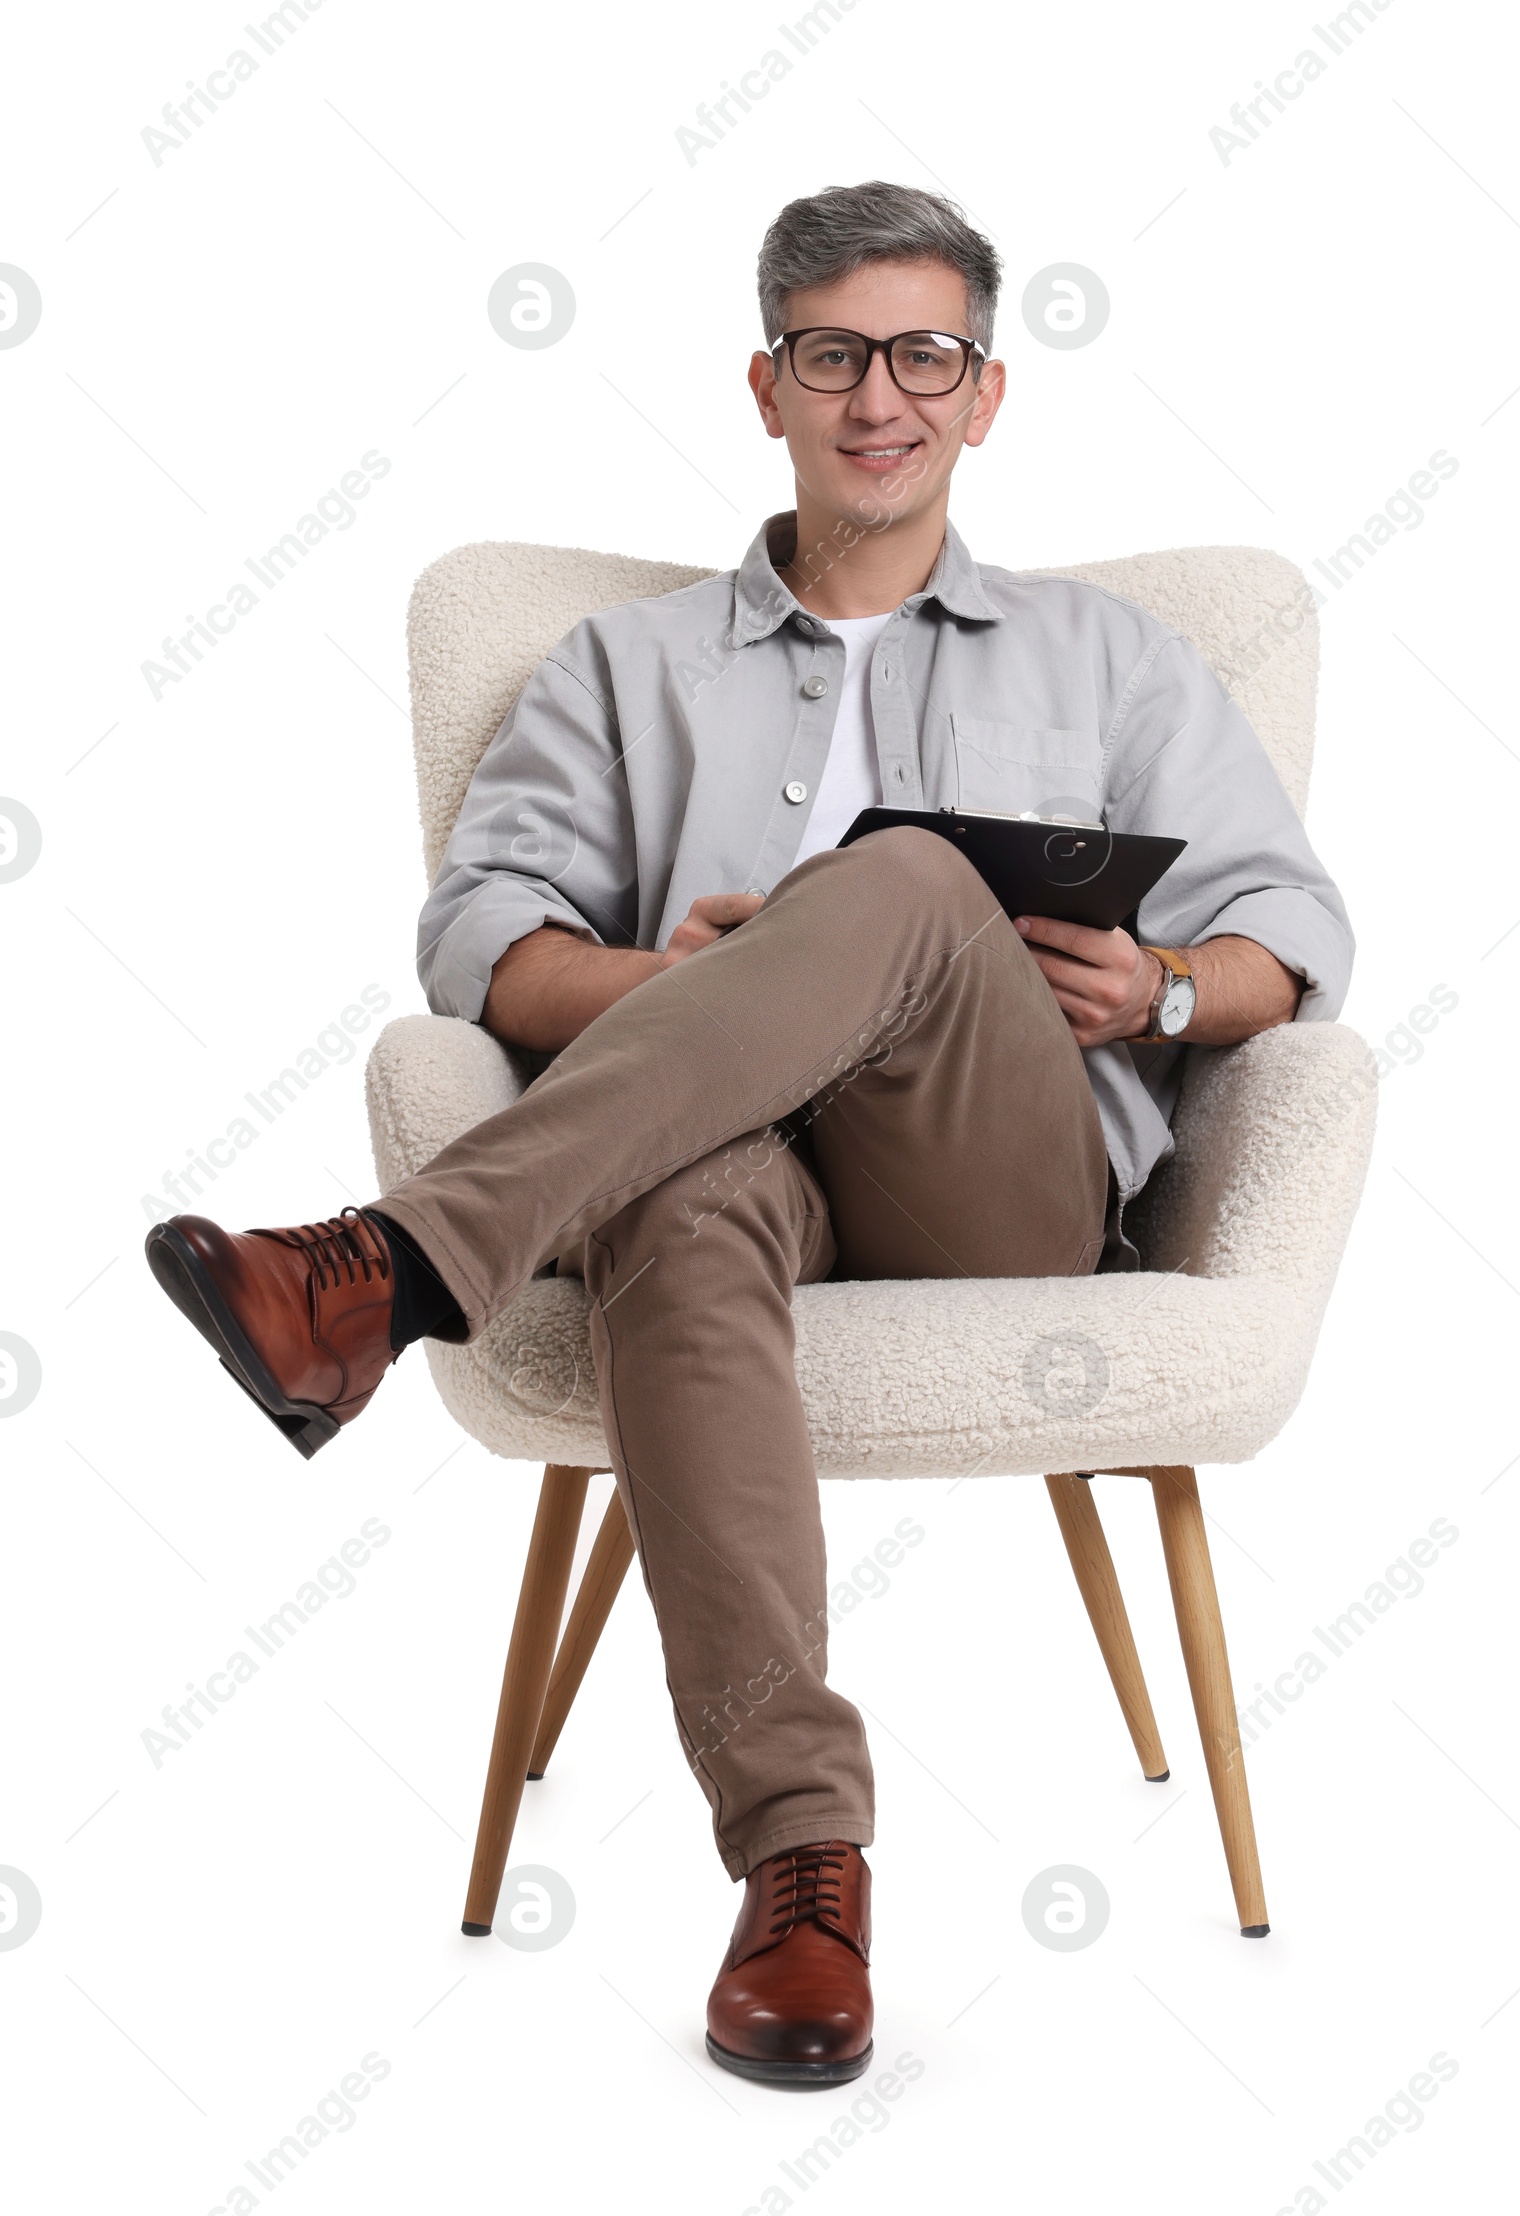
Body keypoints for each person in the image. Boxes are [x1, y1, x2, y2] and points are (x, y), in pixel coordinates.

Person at [146, 180, 1353, 2088]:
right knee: (682, 1190)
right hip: (725, 1161)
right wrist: (668, 989)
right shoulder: (625, 670)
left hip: (999, 1184)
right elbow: (481, 939)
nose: (879, 394)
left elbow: (1298, 934)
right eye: (830, 354)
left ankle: (387, 1268)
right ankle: (804, 1863)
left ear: (984, 393)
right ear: (766, 386)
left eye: (923, 354)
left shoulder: (1111, 659)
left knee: (896, 889)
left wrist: (1165, 993)